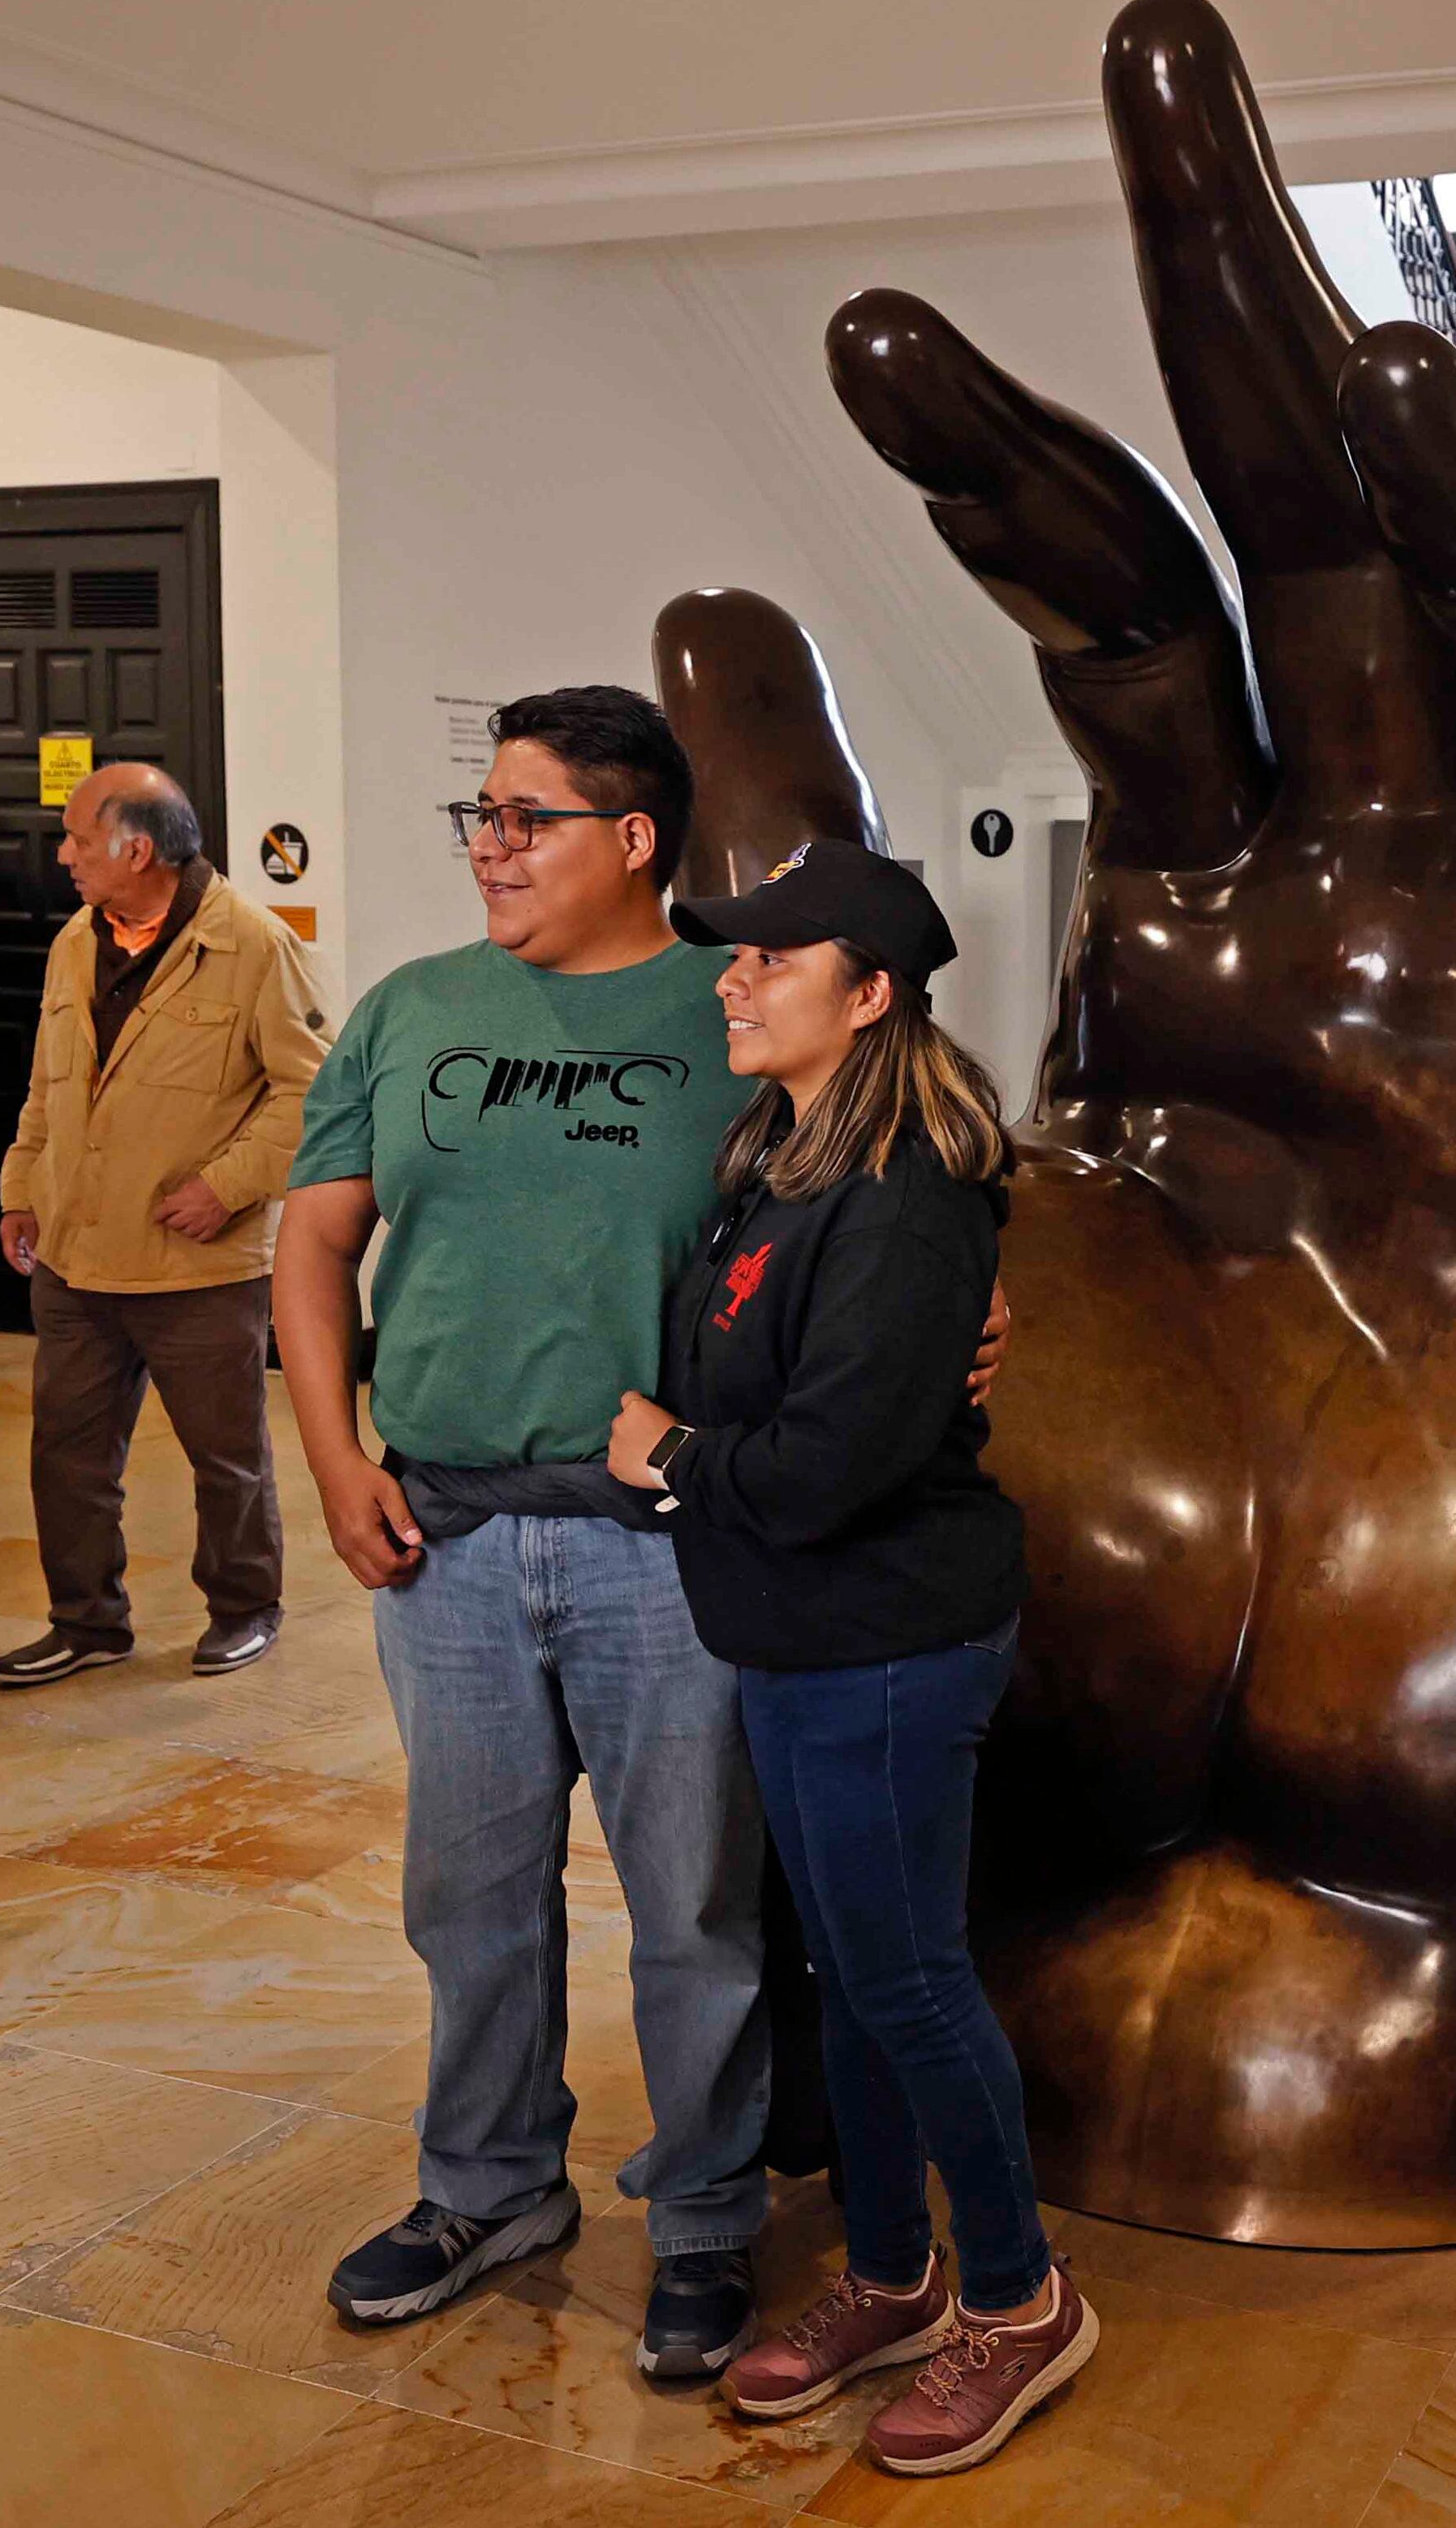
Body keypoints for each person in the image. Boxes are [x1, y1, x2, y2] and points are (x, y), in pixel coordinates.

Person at [281, 688, 1006, 2376]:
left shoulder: (739, 1000)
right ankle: (486, 2183)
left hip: (668, 1540)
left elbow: (906, 1164)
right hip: (444, 1527)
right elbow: (312, 1245)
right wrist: (330, 1459)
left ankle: (701, 2215)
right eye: (476, 811)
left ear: (630, 838)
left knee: (695, 1902)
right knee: (468, 1892)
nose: (488, 844)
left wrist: (983, 1310)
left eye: (524, 815)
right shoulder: (405, 1010)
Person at [605, 837, 1093, 2476]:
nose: (732, 974)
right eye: (735, 954)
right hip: (795, 1632)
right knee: (844, 1971)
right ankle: (890, 2270)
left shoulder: (899, 1196)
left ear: (868, 993)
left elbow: (833, 1463)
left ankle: (1019, 2301)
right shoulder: (784, 1155)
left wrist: (668, 1456)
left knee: (901, 1975)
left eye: (770, 957)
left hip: (886, 1638)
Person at [0, 766, 330, 1688]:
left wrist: (229, 1184)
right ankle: (85, 1621)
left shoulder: (254, 944)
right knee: (66, 1452)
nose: (62, 855)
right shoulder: (74, 942)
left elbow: (315, 1092)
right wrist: (22, 1186)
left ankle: (244, 1605)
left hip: (199, 1264)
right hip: (75, 1255)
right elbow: (48, 1086)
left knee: (227, 1459)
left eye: (76, 838)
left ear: (137, 849)